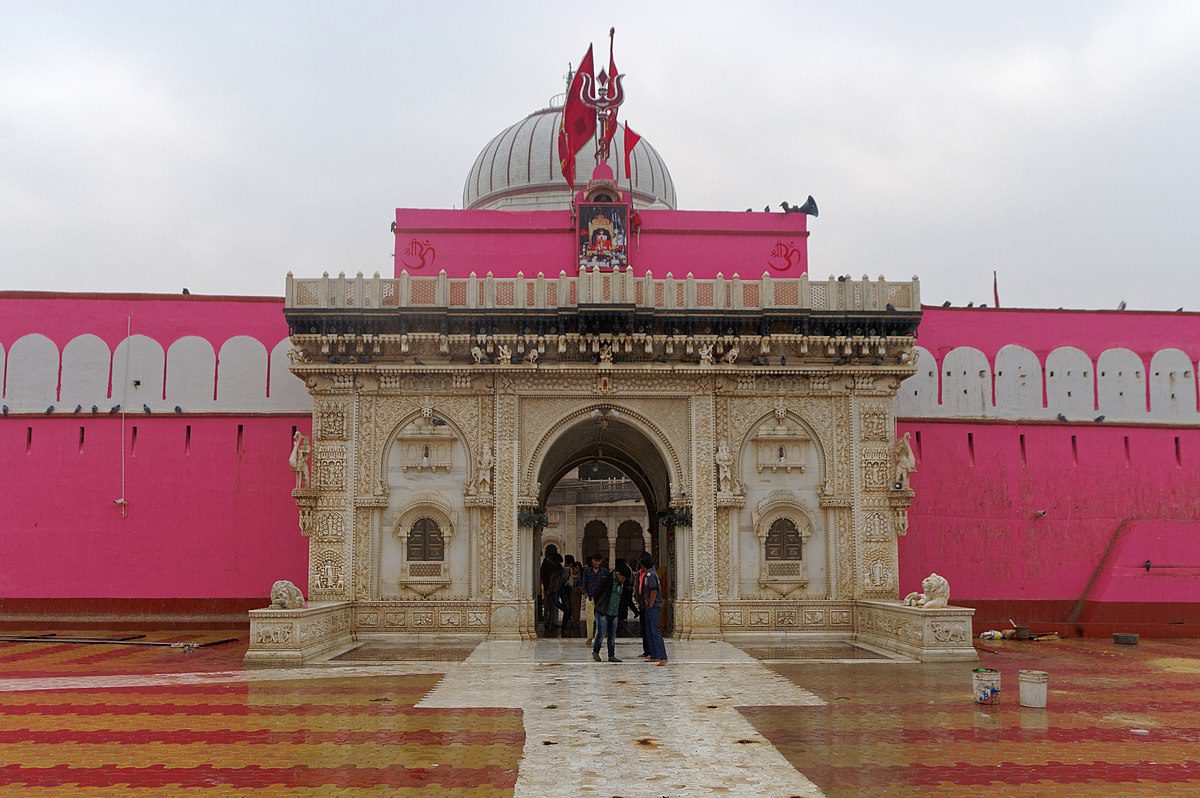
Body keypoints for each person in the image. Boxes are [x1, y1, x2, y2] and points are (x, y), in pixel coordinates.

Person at [591, 566, 625, 662]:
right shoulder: (607, 580)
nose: (623, 580)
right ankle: (596, 651)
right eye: (622, 578)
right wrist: (599, 606)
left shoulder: (622, 583)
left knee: (612, 636)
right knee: (601, 633)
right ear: (618, 574)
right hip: (603, 611)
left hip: (614, 612)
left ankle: (611, 655)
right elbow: (597, 593)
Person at [640, 552, 668, 664]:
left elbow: (654, 590)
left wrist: (650, 604)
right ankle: (654, 655)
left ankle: (663, 657)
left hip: (653, 606)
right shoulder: (651, 574)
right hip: (650, 606)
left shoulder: (650, 575)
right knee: (650, 631)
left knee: (655, 631)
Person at [580, 552, 608, 646]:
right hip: (590, 597)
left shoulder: (604, 571)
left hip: (601, 599)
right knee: (590, 619)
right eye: (595, 561)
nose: (596, 563)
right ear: (592, 561)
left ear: (601, 561)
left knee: (600, 619)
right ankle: (589, 637)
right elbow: (584, 584)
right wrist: (586, 595)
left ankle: (598, 638)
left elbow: (607, 585)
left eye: (598, 561)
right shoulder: (587, 571)